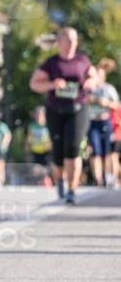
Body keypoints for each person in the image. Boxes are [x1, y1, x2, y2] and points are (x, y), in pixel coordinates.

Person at [29, 27, 97, 204]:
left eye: (75, 40)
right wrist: (52, 84)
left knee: (73, 148)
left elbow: (94, 77)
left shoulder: (82, 60)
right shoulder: (52, 63)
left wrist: (90, 82)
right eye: (68, 39)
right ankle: (59, 180)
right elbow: (34, 84)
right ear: (59, 42)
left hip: (78, 109)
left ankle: (72, 190)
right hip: (56, 110)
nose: (72, 43)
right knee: (58, 152)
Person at [87, 58, 119, 187]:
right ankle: (98, 179)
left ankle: (108, 176)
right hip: (92, 122)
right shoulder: (88, 89)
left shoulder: (108, 88)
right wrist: (89, 100)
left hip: (105, 121)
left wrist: (106, 103)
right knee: (95, 151)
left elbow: (117, 105)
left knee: (107, 151)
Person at [26, 106, 52, 183]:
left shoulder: (48, 125)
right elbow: (29, 137)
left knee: (46, 166)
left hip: (46, 150)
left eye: (40, 115)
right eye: (37, 115)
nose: (38, 117)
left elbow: (52, 136)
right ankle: (39, 180)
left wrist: (50, 144)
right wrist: (27, 145)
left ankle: (46, 180)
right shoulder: (32, 125)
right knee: (36, 166)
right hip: (35, 149)